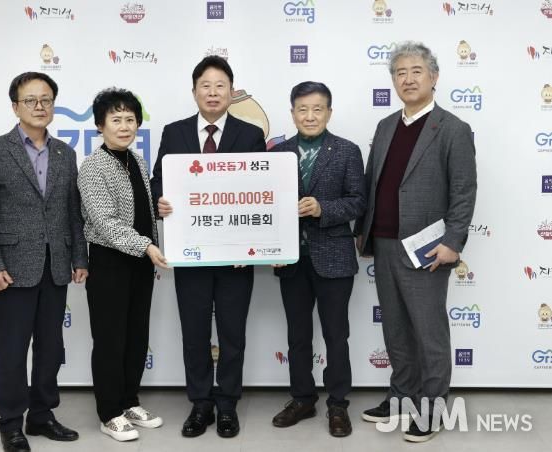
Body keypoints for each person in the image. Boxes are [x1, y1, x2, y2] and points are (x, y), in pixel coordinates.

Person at [355, 41, 477, 442]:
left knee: (429, 332)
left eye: (416, 71)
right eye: (400, 73)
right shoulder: (386, 126)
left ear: (434, 77)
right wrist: (363, 233)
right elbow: (373, 181)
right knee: (395, 330)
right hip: (384, 243)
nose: (407, 79)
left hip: (428, 249)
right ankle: (402, 395)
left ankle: (433, 408)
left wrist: (453, 242)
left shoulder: (453, 129)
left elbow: (464, 191)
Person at [150, 55, 266, 438]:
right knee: (195, 332)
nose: (213, 93)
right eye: (206, 86)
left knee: (232, 333)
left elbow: (261, 192)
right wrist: (160, 200)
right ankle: (200, 403)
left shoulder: (250, 135)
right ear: (194, 91)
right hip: (191, 253)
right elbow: (157, 181)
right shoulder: (175, 132)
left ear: (231, 92)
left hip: (236, 256)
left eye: (220, 86)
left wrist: (250, 245)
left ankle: (228, 403)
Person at [0, 71, 88, 452]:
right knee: (12, 349)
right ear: (15, 106)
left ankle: (41, 415)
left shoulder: (65, 153)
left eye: (46, 100)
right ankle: (10, 422)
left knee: (50, 348)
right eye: (30, 100)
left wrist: (79, 256)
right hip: (11, 268)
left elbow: (73, 212)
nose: (39, 106)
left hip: (55, 265)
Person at [269, 81, 365, 437]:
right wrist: (271, 248)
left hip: (334, 258)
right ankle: (303, 399)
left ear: (329, 112)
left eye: (317, 109)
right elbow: (267, 205)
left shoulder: (347, 151)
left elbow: (358, 202)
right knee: (298, 336)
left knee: (336, 335)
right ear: (292, 113)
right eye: (302, 109)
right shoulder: (278, 153)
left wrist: (323, 208)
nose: (310, 116)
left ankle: (338, 404)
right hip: (292, 260)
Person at [78, 88, 168, 442]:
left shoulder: (137, 161)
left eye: (130, 119)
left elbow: (142, 212)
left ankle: (130, 401)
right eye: (116, 119)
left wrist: (157, 225)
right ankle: (109, 413)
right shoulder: (93, 167)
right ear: (100, 125)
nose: (124, 126)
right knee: (110, 340)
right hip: (110, 263)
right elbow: (105, 222)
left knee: (135, 336)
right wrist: (146, 246)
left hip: (141, 263)